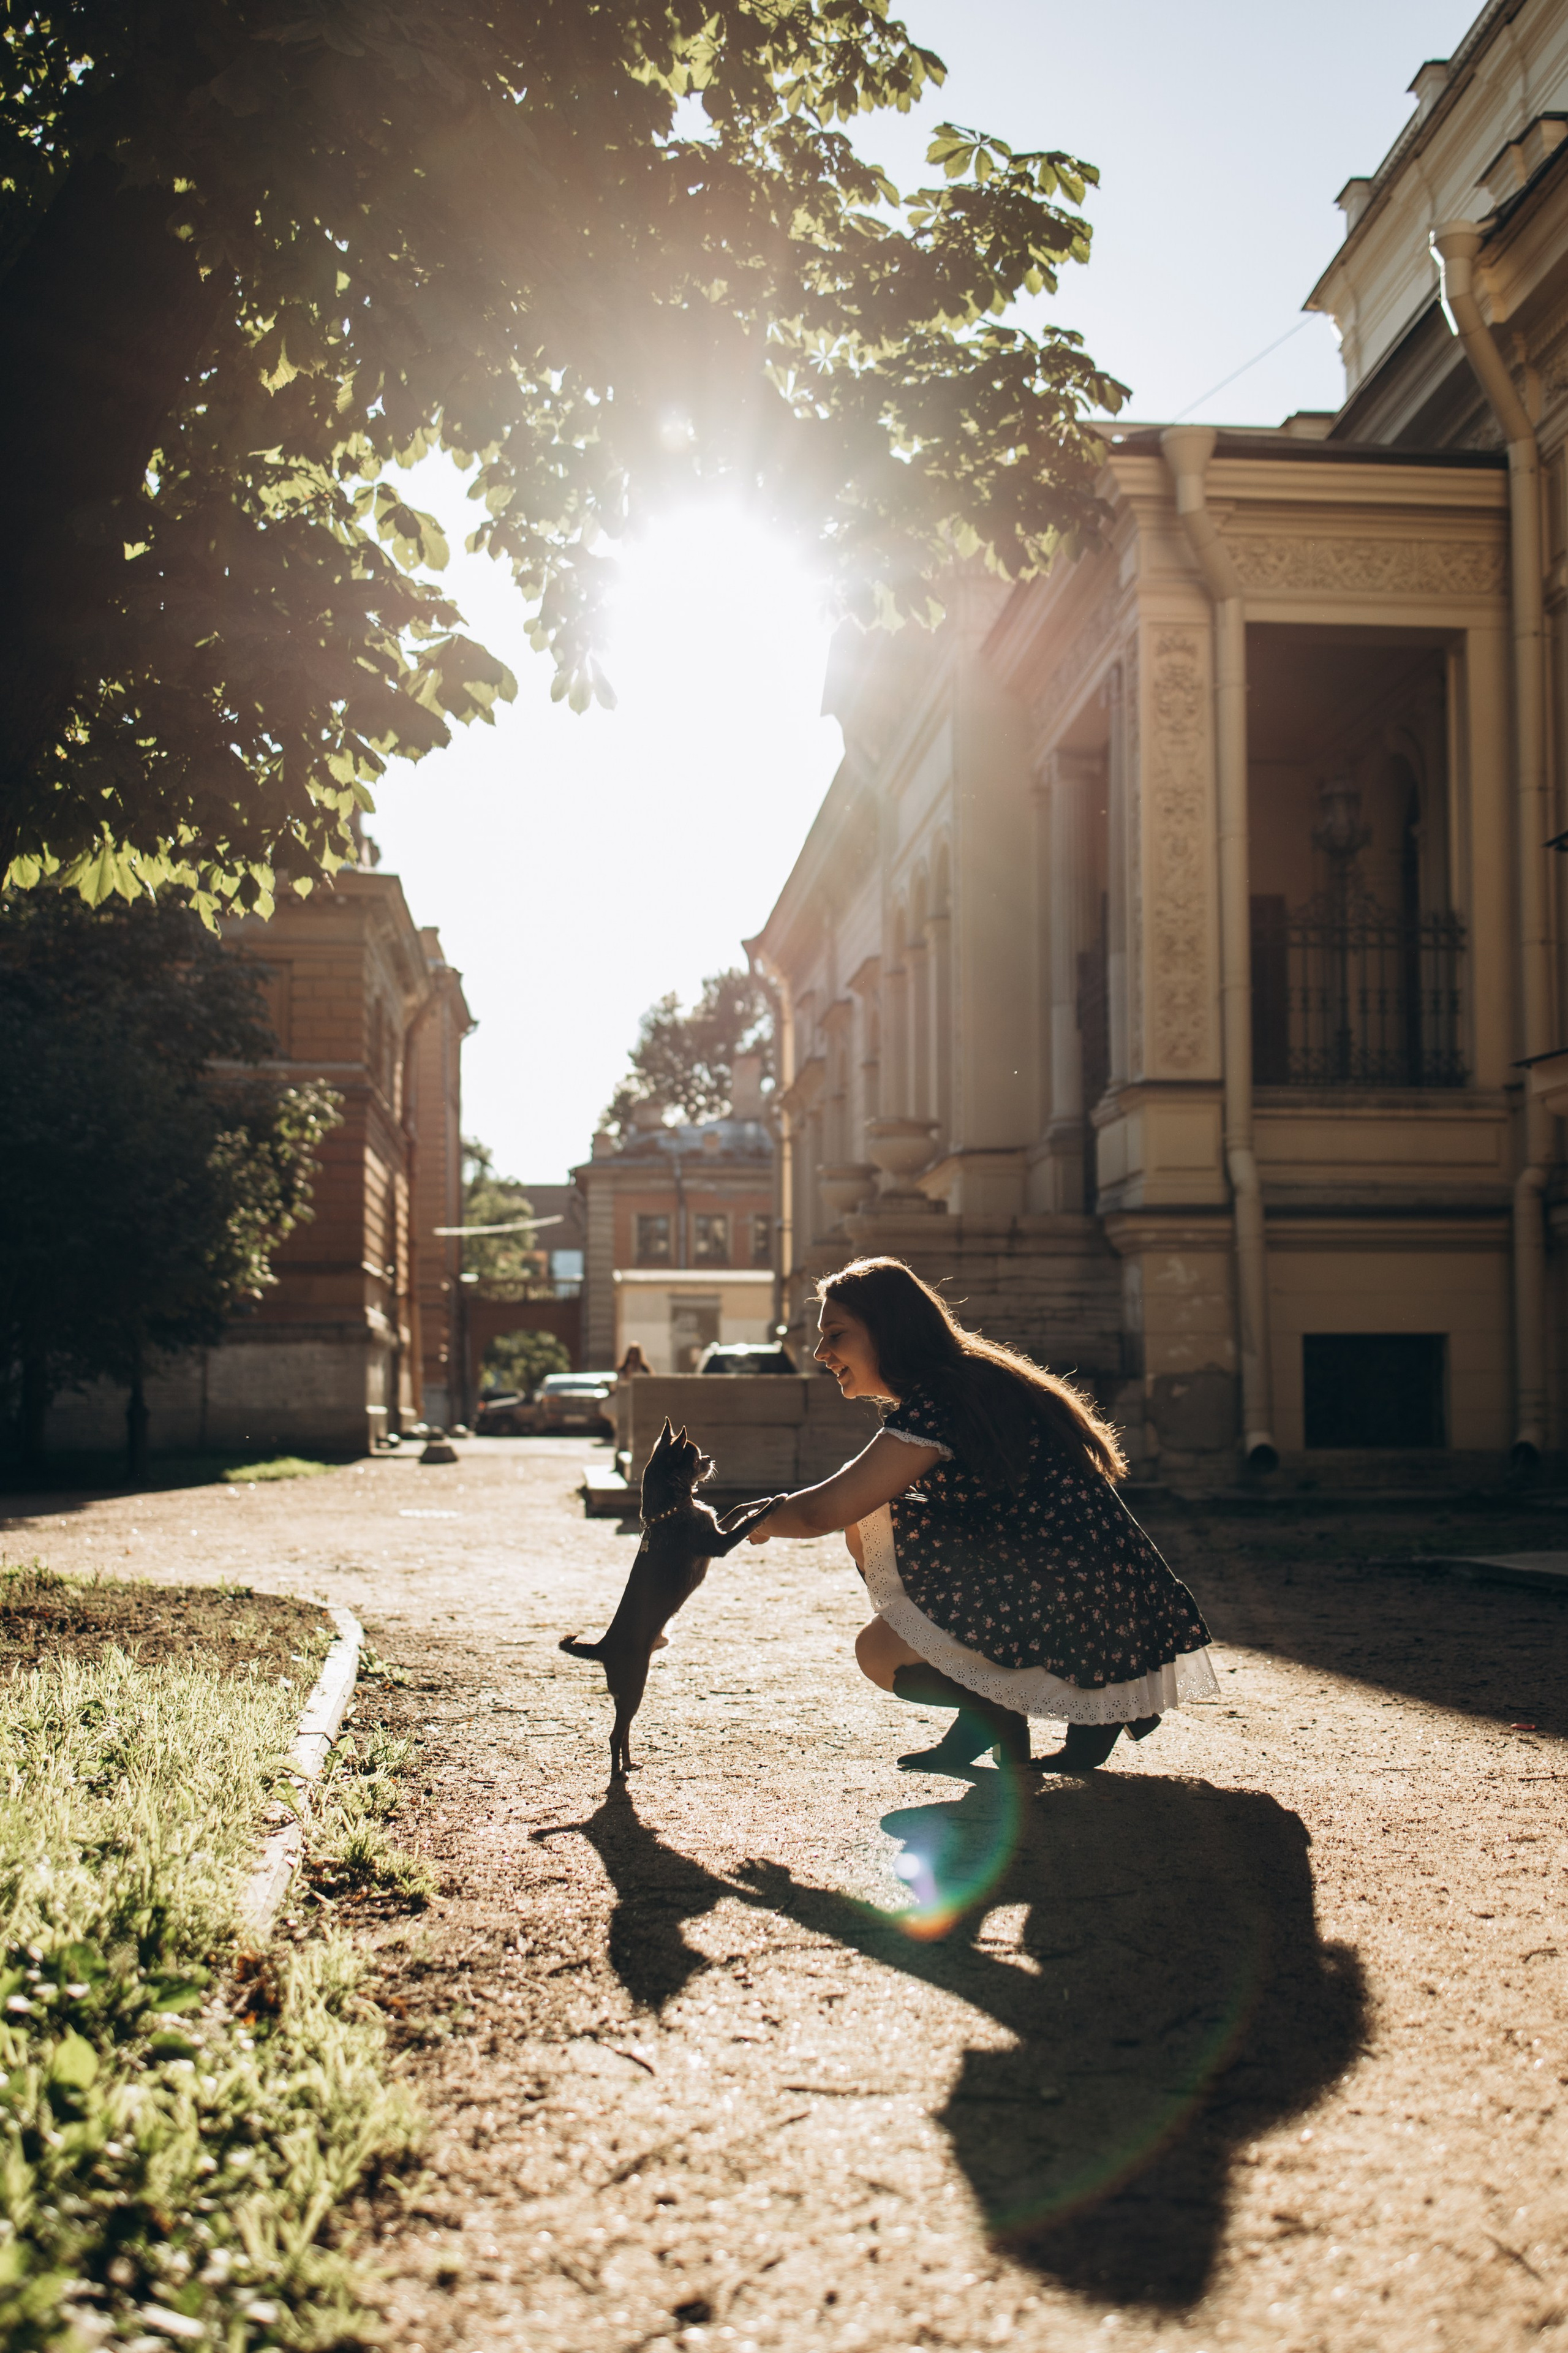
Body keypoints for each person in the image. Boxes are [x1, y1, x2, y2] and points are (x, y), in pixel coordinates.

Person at [744, 1256, 1217, 1773]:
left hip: (1088, 1604)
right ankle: (1062, 1710)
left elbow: (823, 1512)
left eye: (835, 1334)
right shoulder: (967, 1377)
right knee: (872, 1510)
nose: (820, 1352)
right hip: (1104, 1592)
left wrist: (752, 1520)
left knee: (877, 1651)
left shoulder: (943, 1398)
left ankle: (1018, 1709)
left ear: (888, 1330)